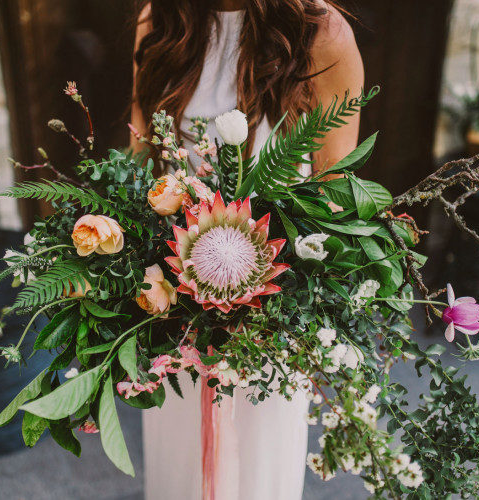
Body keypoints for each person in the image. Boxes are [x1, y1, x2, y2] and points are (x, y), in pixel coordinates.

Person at [129, 1, 364, 498]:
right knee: (179, 468)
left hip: (267, 320)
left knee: (257, 474)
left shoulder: (320, 34)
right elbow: (138, 158)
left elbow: (336, 198)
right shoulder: (162, 19)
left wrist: (275, 299)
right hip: (174, 312)